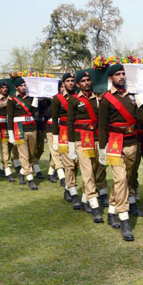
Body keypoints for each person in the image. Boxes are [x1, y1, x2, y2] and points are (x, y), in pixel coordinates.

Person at [97, 64, 143, 240]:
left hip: (132, 142)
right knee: (119, 179)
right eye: (117, 74)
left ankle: (111, 210)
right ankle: (124, 220)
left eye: (123, 74)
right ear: (110, 78)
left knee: (124, 180)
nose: (121, 77)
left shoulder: (132, 96)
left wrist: (141, 103)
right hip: (114, 143)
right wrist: (102, 148)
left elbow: (142, 119)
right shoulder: (105, 99)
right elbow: (102, 126)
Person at [66, 71, 104, 223]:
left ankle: (84, 200)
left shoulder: (99, 98)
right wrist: (70, 145)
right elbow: (70, 123)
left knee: (94, 170)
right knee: (87, 172)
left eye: (88, 80)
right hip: (80, 140)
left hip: (95, 138)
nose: (87, 83)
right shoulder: (74, 100)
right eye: (83, 81)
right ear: (77, 84)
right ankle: (95, 207)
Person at [53, 73, 82, 208]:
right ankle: (74, 193)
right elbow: (54, 119)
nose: (70, 83)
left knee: (77, 165)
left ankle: (68, 188)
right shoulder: (57, 99)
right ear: (63, 83)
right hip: (64, 133)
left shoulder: (80, 97)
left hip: (79, 132)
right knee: (69, 164)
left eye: (72, 80)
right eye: (68, 81)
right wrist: (55, 138)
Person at [0, 82, 16, 182]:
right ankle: (8, 171)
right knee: (4, 149)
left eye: (6, 88)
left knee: (11, 148)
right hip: (1, 127)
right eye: (2, 88)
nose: (5, 89)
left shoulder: (12, 98)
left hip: (11, 128)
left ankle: (3, 168)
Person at [46, 83, 66, 185]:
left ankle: (50, 173)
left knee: (60, 152)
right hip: (51, 127)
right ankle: (62, 176)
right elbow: (47, 113)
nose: (63, 88)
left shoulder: (70, 98)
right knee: (56, 152)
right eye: (61, 86)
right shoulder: (53, 99)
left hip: (63, 128)